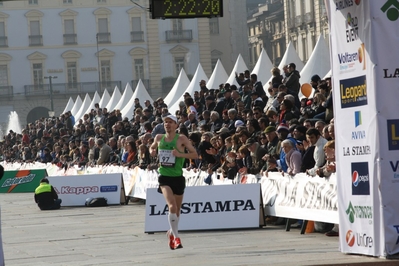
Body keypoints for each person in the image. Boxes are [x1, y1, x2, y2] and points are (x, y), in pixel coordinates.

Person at [150, 114, 198, 250]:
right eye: (165, 122)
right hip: (164, 177)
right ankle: (177, 237)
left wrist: (180, 154)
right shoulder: (159, 138)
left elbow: (195, 154)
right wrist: (152, 151)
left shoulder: (181, 139)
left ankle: (171, 233)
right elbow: (152, 147)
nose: (167, 124)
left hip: (178, 177)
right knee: (172, 207)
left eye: (170, 122)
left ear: (176, 125)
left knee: (177, 211)